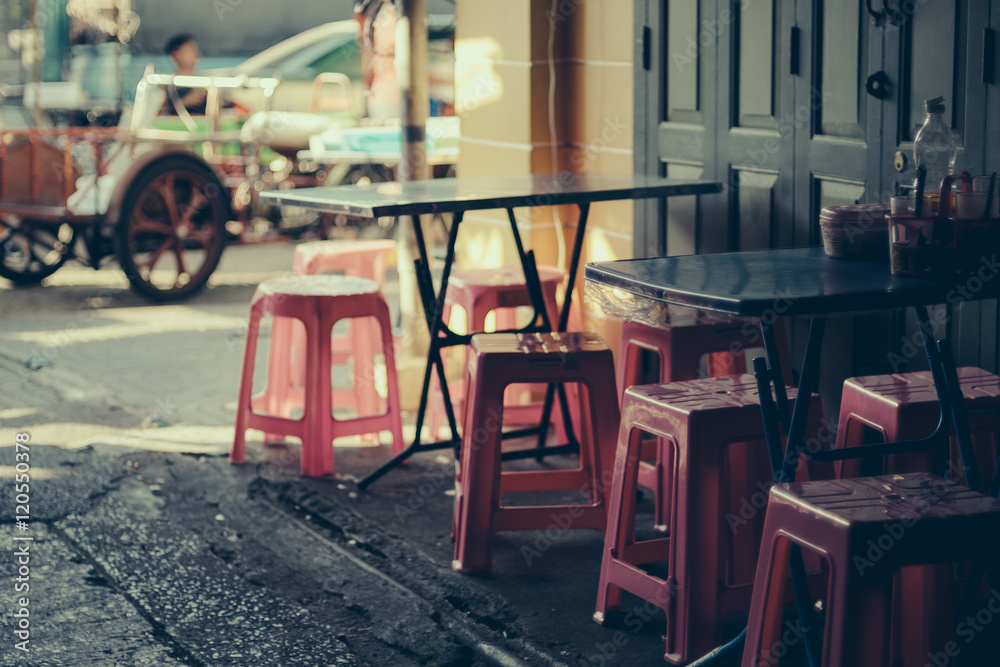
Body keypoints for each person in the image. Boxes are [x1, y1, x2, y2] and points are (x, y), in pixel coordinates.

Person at [353, 0, 401, 119]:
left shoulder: (376, 16)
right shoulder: (392, 16)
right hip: (395, 99)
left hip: (379, 96)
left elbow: (367, 63)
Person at [163, 33, 207, 115]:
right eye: (189, 50)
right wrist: (184, 102)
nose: (195, 53)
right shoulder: (166, 84)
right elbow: (160, 110)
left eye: (195, 50)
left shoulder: (205, 82)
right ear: (175, 55)